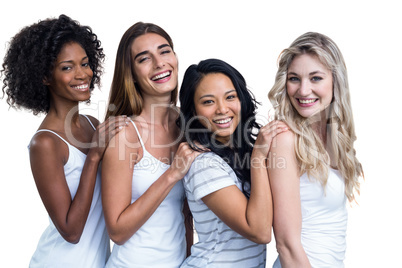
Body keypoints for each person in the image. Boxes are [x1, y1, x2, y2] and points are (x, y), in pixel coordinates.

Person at [1, 14, 129, 267]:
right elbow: (71, 231)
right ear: (44, 77)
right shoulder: (45, 143)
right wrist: (93, 156)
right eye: (67, 67)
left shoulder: (93, 124)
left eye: (85, 63)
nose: (83, 75)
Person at [102, 22, 200, 268]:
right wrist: (172, 175)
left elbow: (185, 214)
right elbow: (117, 231)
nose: (159, 63)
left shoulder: (188, 125)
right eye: (144, 59)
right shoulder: (125, 134)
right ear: (131, 74)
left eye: (164, 51)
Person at [178, 58, 288, 267]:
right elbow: (259, 231)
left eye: (230, 97)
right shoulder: (204, 164)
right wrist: (258, 157)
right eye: (208, 102)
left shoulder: (240, 152)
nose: (222, 109)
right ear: (193, 111)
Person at [267, 32, 364, 268]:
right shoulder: (285, 139)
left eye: (315, 78)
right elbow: (286, 244)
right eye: (294, 78)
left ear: (335, 80)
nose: (303, 90)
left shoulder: (333, 135)